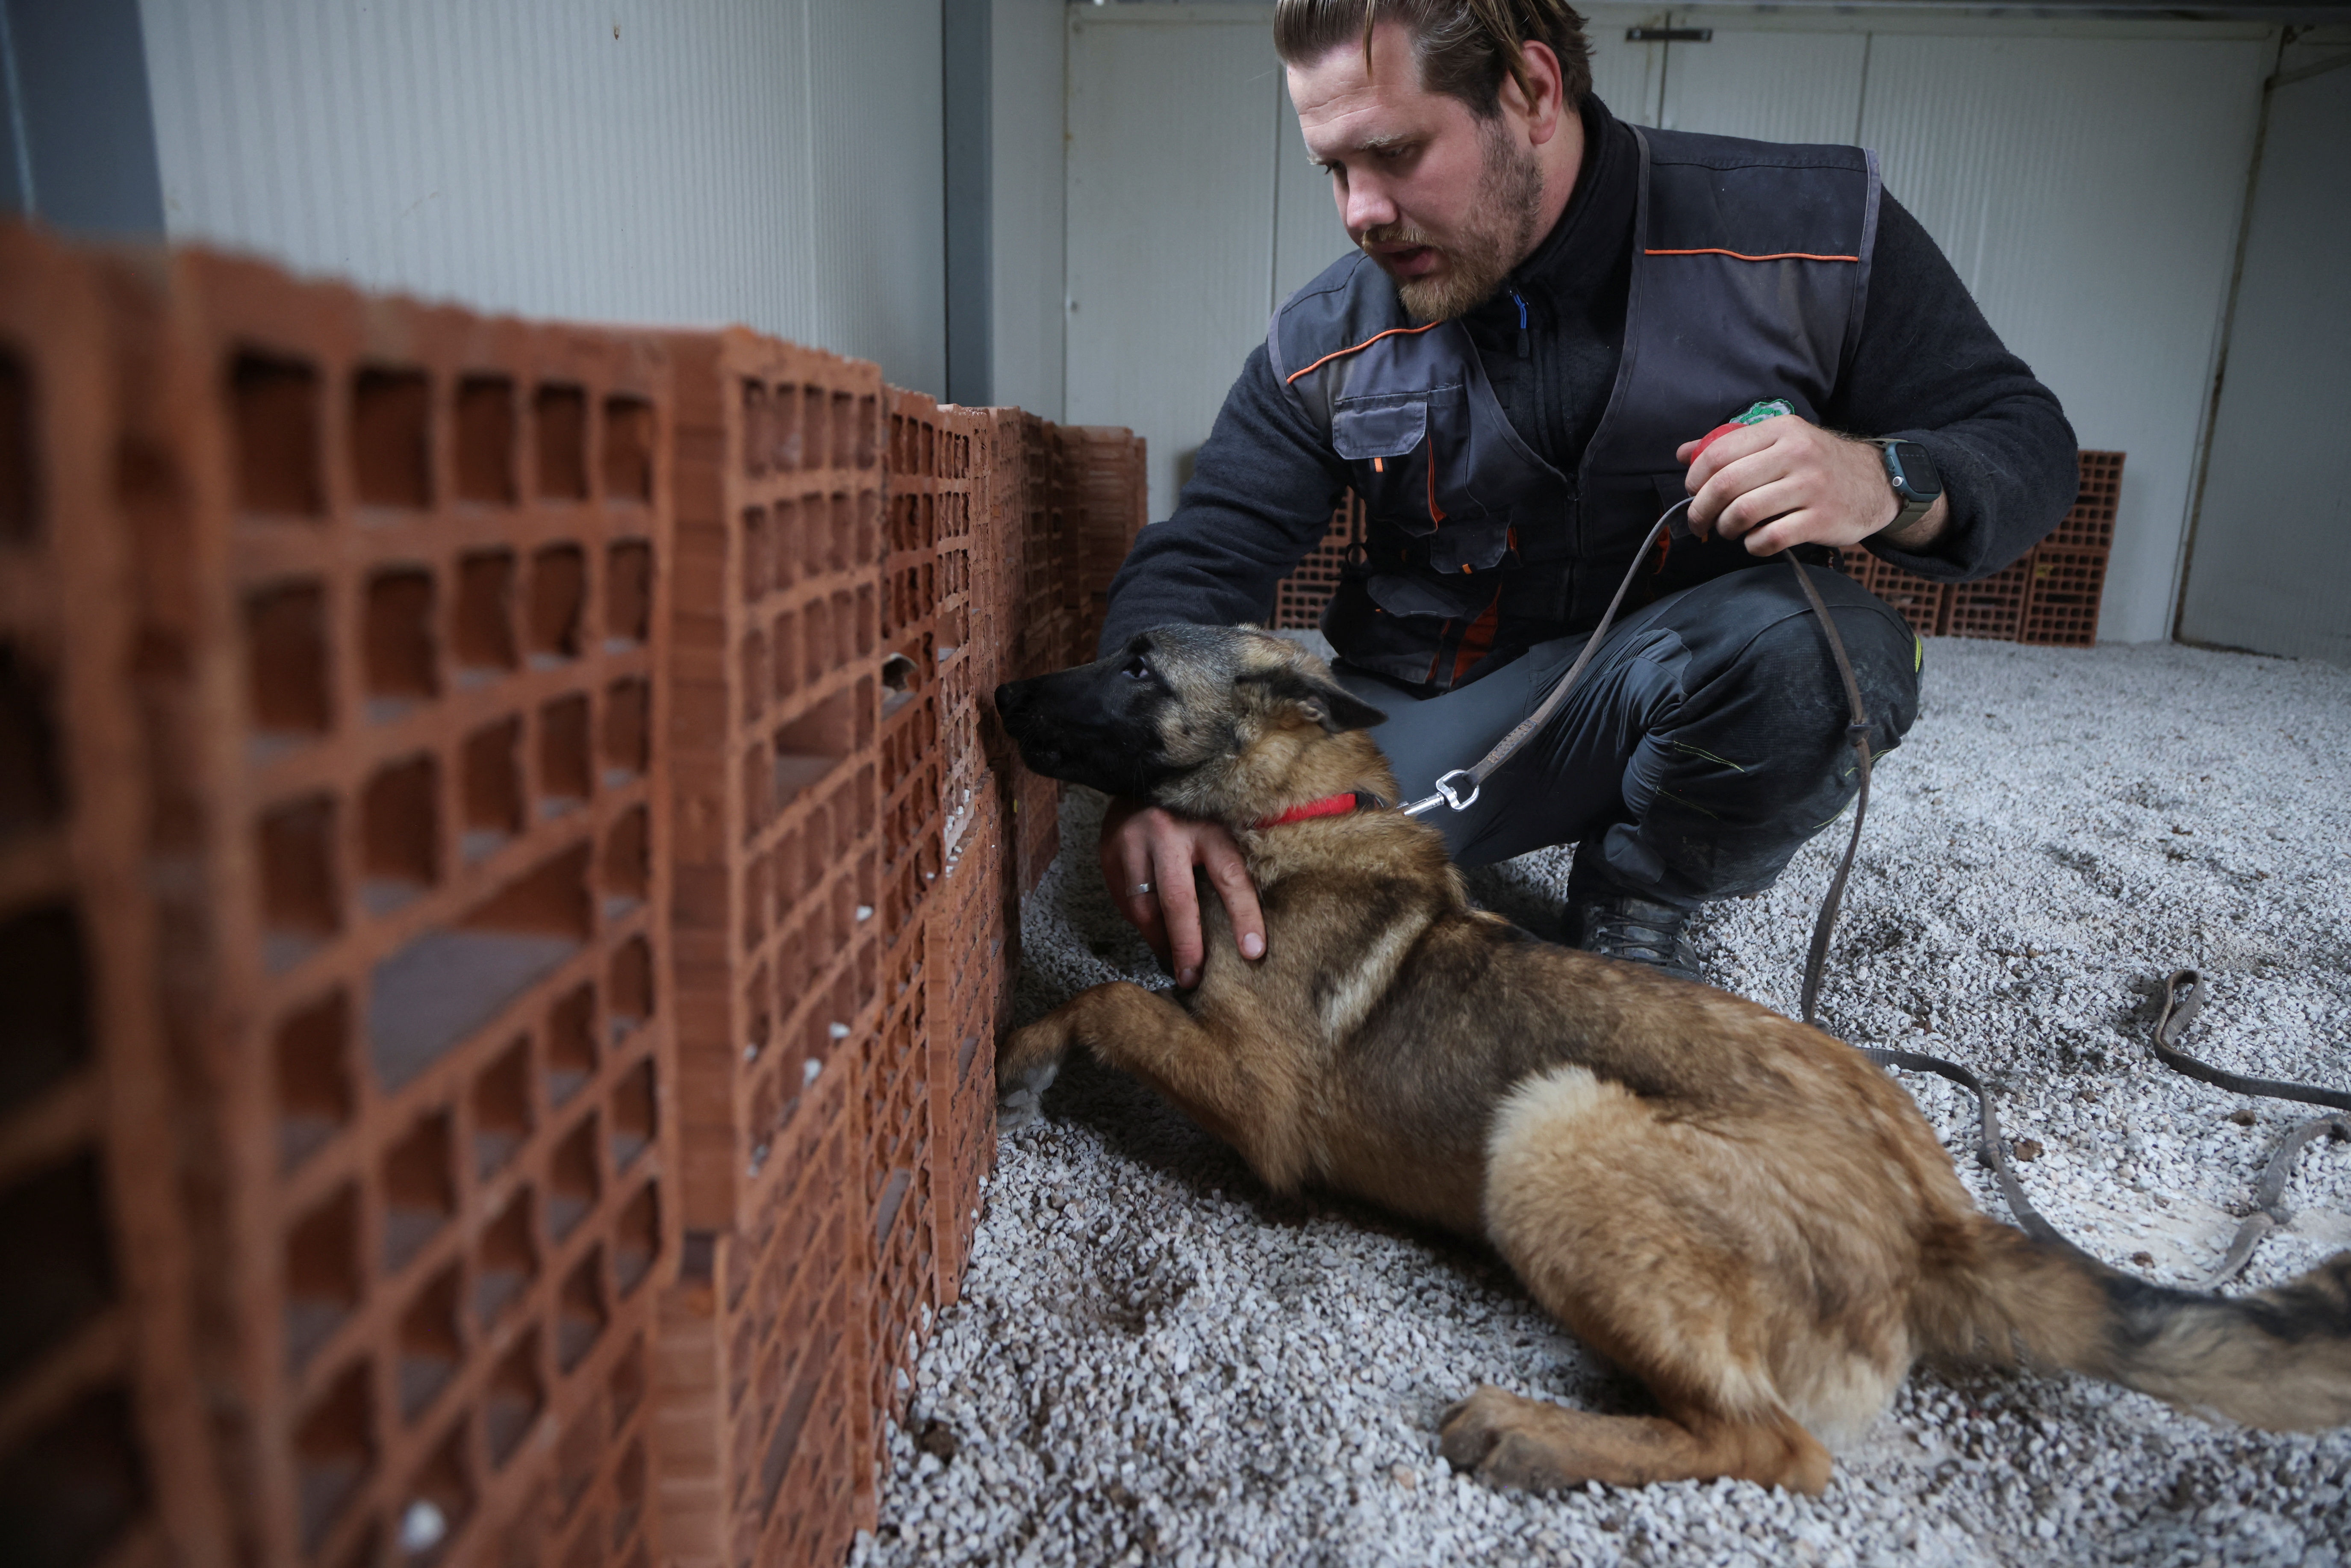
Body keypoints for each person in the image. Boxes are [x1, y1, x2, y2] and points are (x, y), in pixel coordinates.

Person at [1093, 0, 2077, 985]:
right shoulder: (1325, 338)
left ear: (1531, 92)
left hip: (1698, 677)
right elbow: (1203, 553)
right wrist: (1148, 771)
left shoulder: (1811, 241)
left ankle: (1640, 893)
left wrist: (1883, 476)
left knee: (1830, 661)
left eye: (1392, 153)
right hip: (1438, 714)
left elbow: (2019, 437)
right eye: (1334, 169)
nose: (1359, 212)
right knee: (1236, 903)